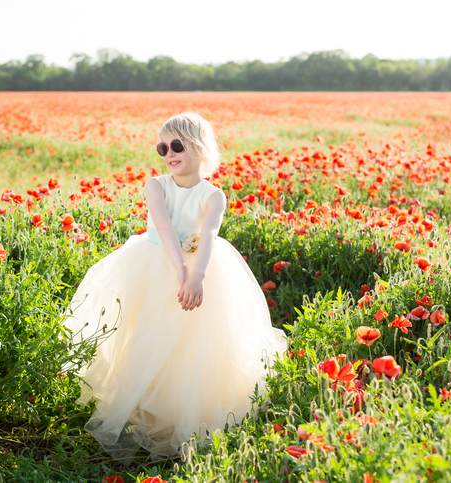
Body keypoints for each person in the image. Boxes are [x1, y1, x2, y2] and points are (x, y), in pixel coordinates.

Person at [64, 111, 288, 461]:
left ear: (200, 148)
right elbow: (165, 228)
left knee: (196, 344)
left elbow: (209, 234)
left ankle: (188, 416)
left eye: (177, 145)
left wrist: (196, 276)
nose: (169, 153)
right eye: (162, 147)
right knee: (148, 334)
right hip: (155, 265)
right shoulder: (157, 185)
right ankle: (145, 407)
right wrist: (180, 269)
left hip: (203, 267)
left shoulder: (213, 195)